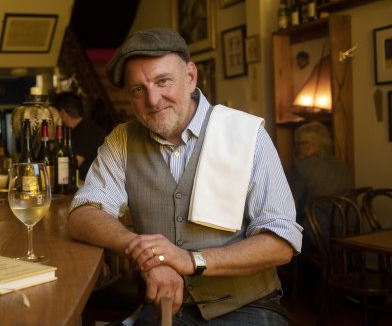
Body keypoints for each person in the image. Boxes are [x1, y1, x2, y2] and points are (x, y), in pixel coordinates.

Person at [66, 28, 302, 325]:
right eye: (138, 89)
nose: (153, 100)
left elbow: (281, 241)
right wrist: (145, 253)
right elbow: (82, 213)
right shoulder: (121, 141)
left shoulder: (247, 134)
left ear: (191, 76)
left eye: (163, 81)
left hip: (246, 308)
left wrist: (192, 261)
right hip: (164, 308)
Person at [290, 121, 354, 251]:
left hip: (320, 234)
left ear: (309, 145)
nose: (296, 148)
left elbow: (289, 203)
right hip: (349, 230)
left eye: (298, 144)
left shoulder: (303, 166)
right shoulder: (340, 163)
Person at [53, 92, 107, 180]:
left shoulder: (85, 132)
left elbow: (69, 167)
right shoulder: (87, 128)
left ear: (62, 113)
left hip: (89, 188)